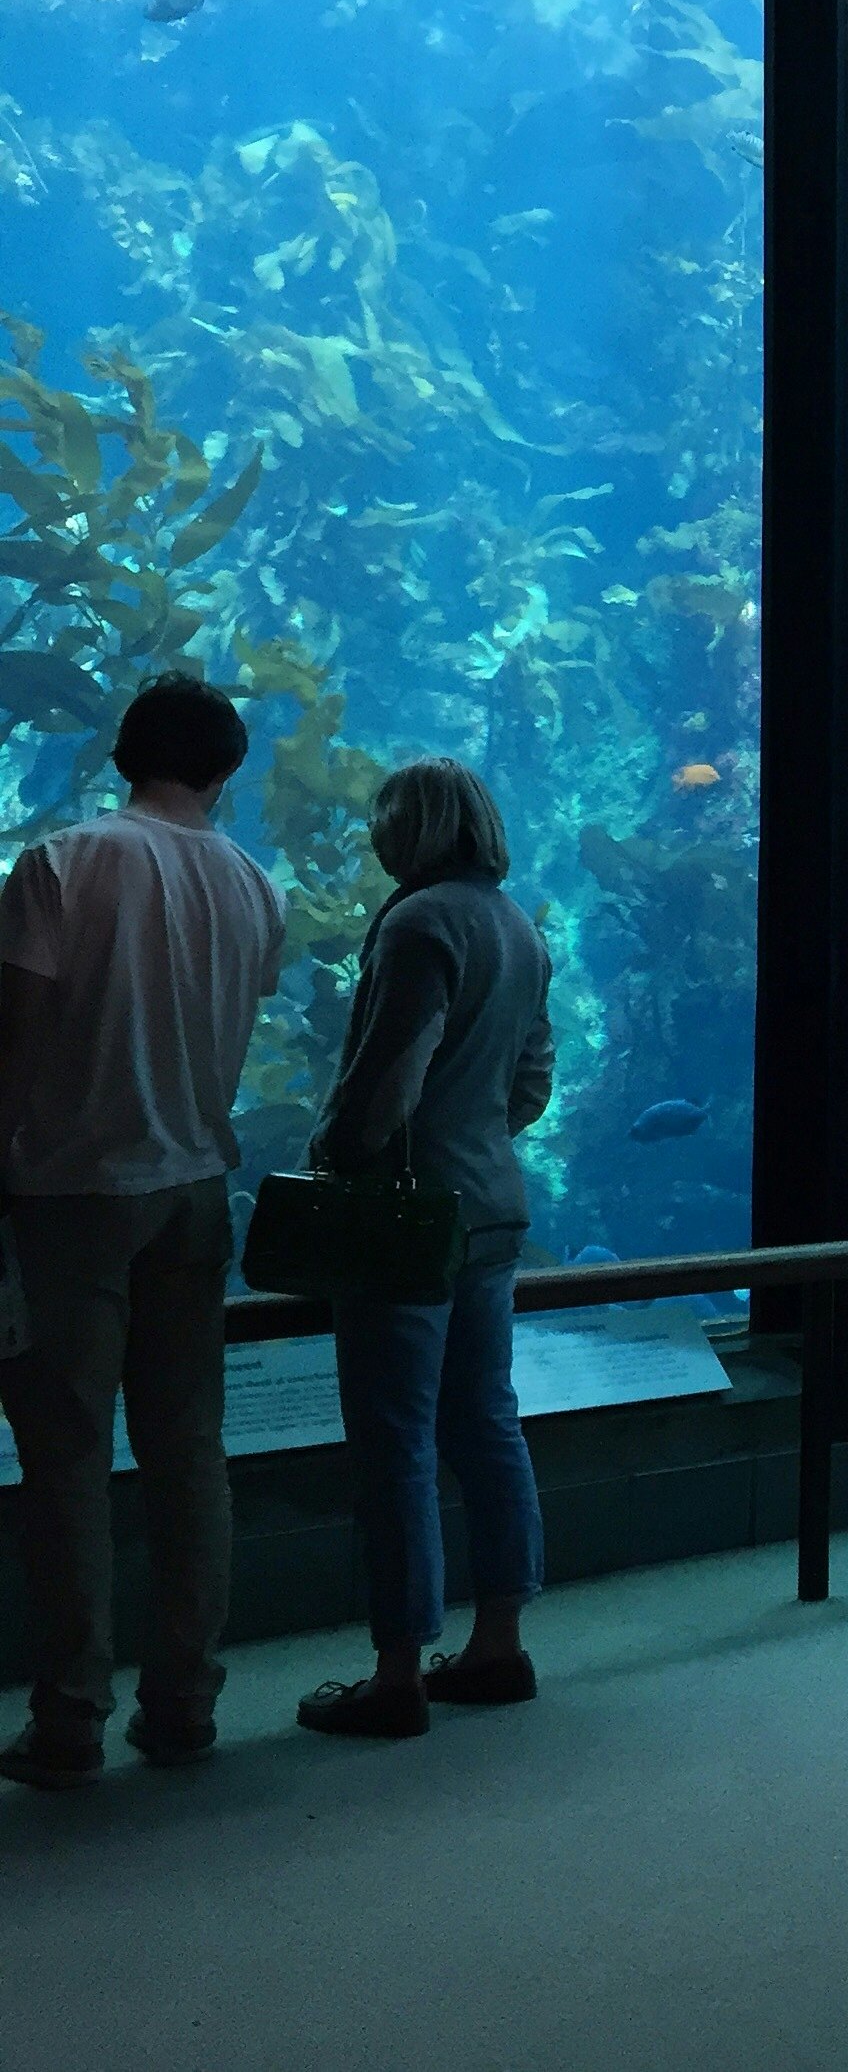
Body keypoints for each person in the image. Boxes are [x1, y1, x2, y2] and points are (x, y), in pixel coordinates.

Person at [0, 673, 286, 1789]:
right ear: (225, 771)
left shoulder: (62, 865)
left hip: (73, 1191)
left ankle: (72, 1713)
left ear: (123, 755)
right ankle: (185, 1703)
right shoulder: (255, 888)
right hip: (196, 1189)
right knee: (188, 1449)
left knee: (68, 1457)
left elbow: (12, 1040)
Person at [293, 758, 555, 1741]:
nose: (373, 835)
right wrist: (473, 1127)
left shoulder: (417, 922)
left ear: (412, 827)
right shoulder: (518, 924)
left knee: (395, 1440)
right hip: (490, 1205)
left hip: (408, 1218)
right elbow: (531, 1083)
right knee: (487, 1421)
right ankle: (497, 1642)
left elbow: (388, 1079)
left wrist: (335, 1151)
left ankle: (397, 1668)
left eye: (382, 819)